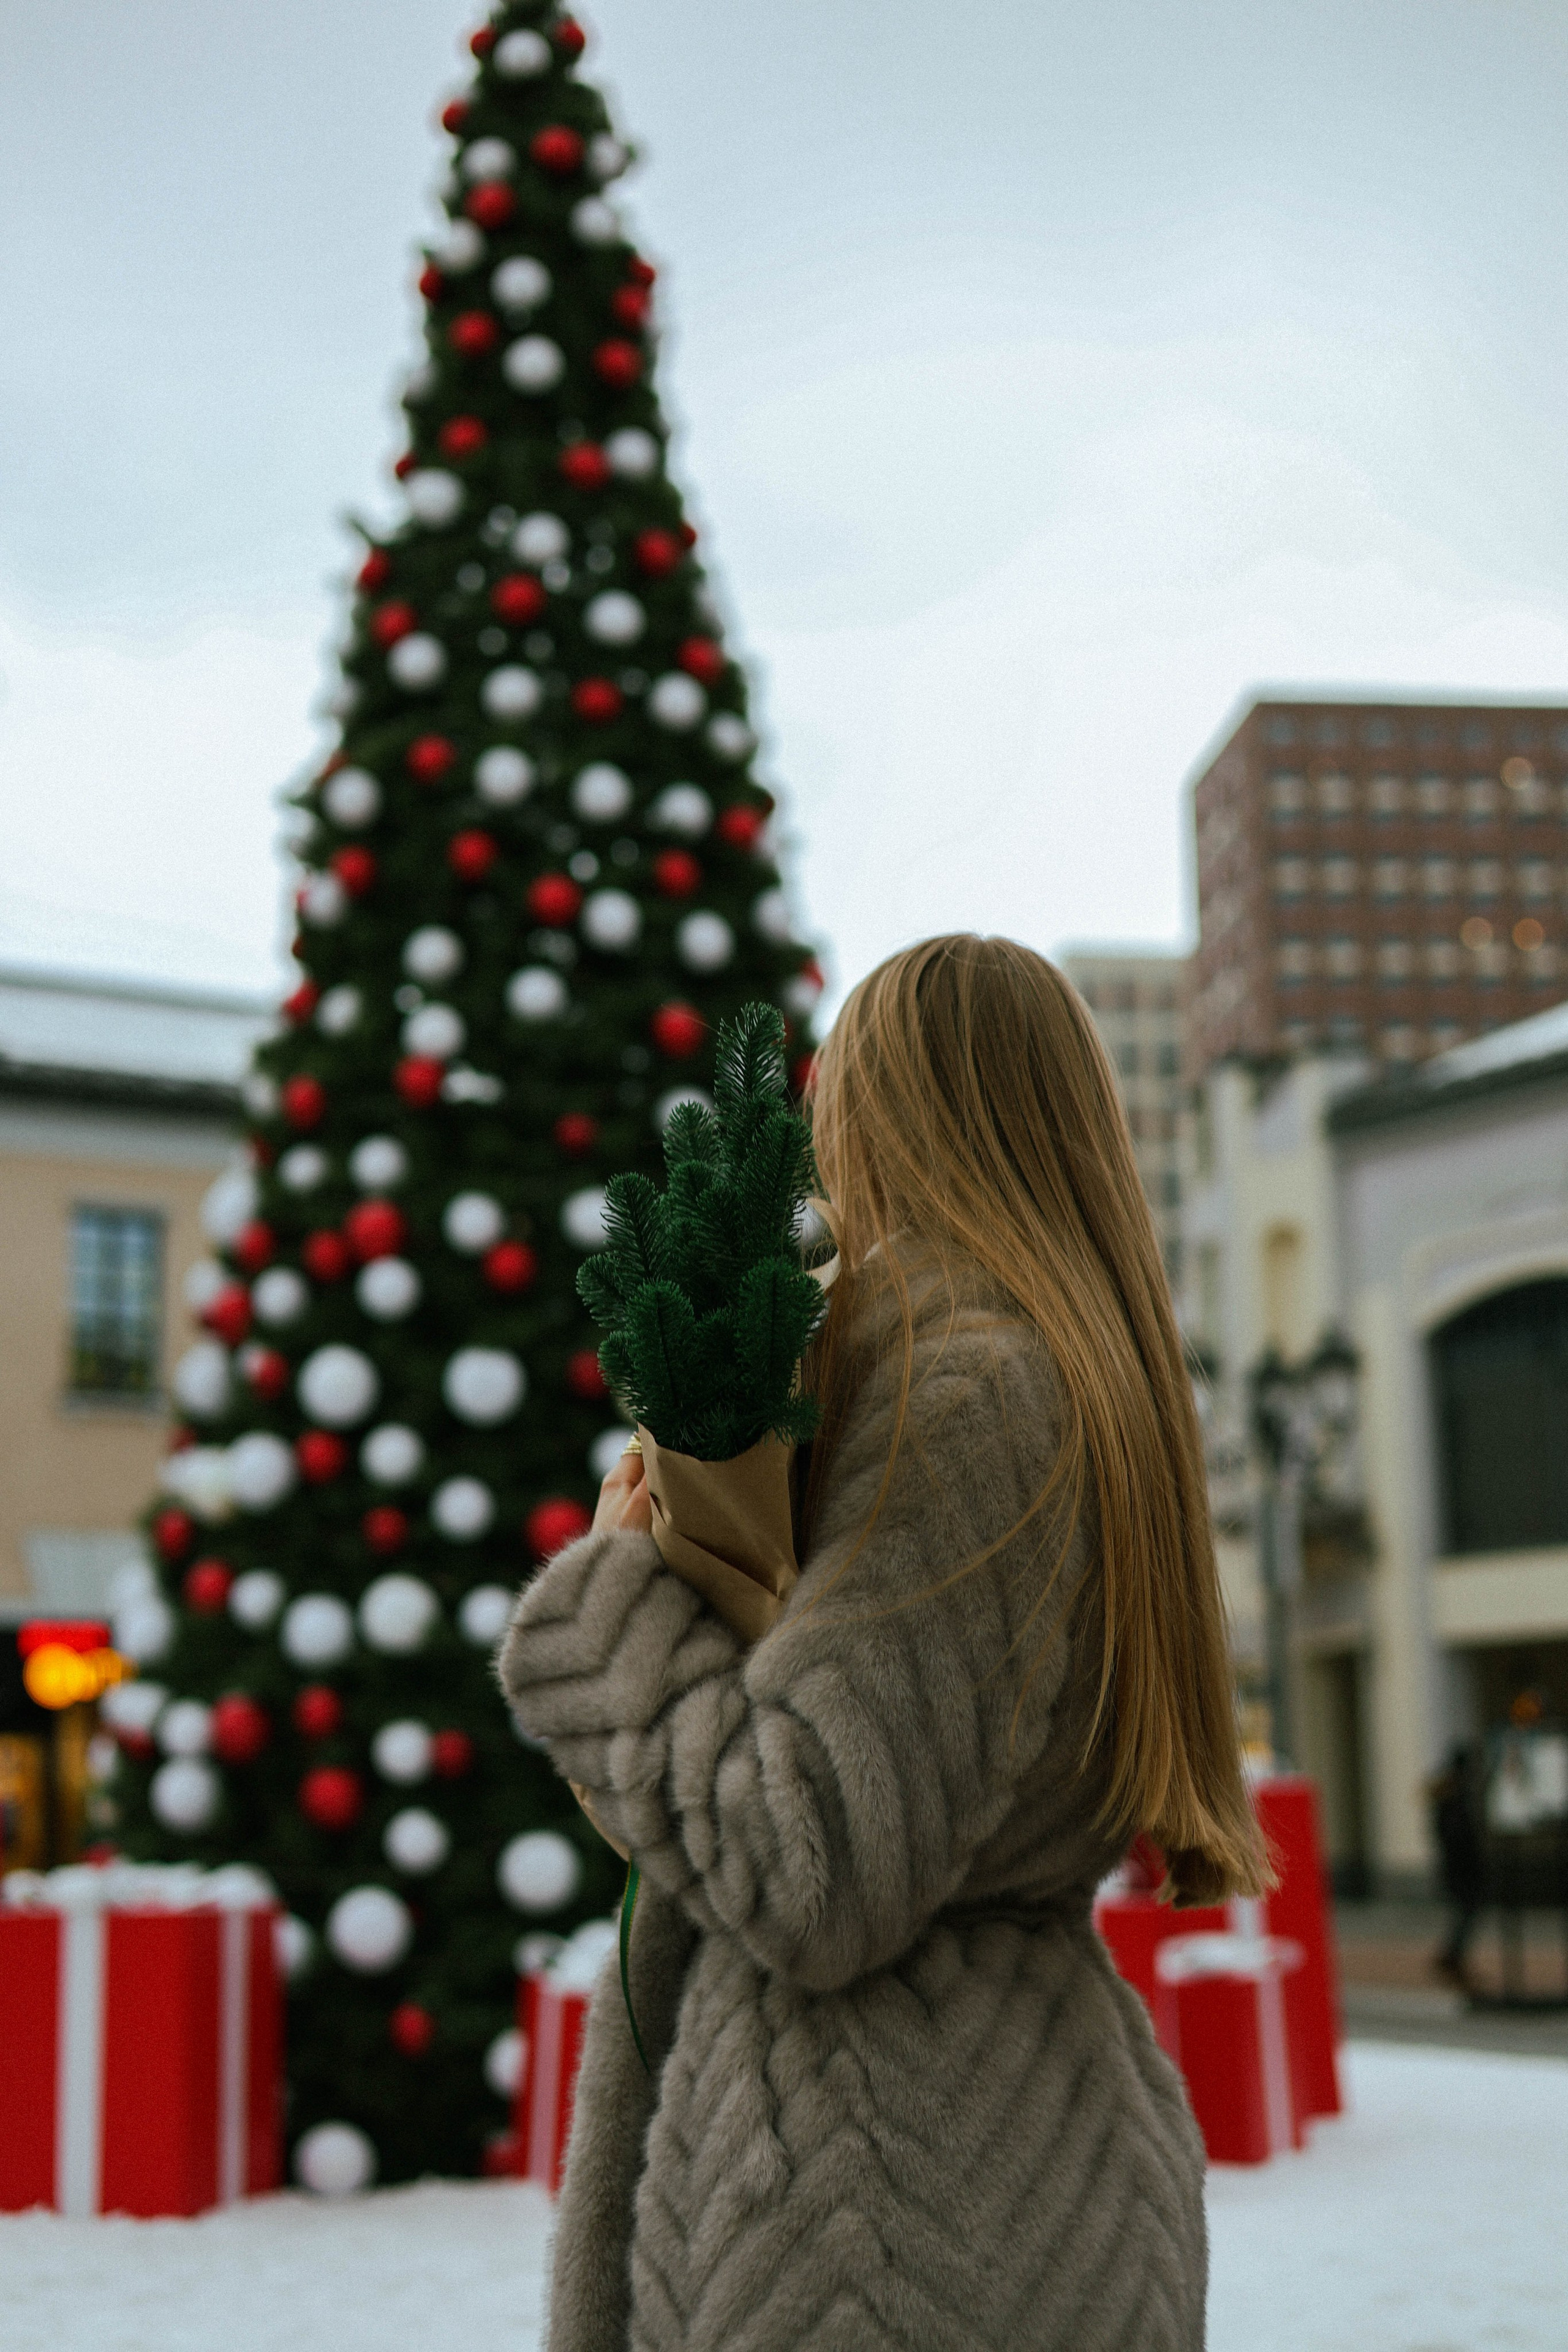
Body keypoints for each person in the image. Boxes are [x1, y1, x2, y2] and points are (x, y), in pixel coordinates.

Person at [500, 934, 1268, 2352]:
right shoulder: (1092, 1374)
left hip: (872, 2211)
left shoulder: (959, 1375)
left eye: (831, 1092)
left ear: (876, 1102)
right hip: (1022, 2162)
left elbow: (816, 1861)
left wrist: (613, 1607)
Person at [1428, 1741, 1485, 1991]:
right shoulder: (1455, 1797)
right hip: (1462, 1868)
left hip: (1455, 1867)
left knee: (1463, 1915)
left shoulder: (1446, 1794)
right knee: (1466, 1914)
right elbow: (1457, 1836)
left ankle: (1452, 1958)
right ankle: (1451, 1959)